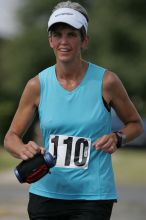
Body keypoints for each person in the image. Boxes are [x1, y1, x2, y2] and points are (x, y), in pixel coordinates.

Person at [4, 1, 144, 220]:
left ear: (84, 40)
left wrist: (118, 138)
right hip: (46, 195)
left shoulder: (106, 81)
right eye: (57, 34)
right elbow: (11, 137)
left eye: (71, 34)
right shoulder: (37, 85)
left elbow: (136, 124)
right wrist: (23, 150)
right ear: (50, 40)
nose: (64, 41)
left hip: (93, 197)